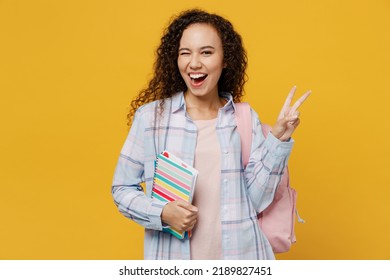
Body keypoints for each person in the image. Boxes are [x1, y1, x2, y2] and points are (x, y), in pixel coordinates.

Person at [111, 9, 310, 260]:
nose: (194, 63)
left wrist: (278, 139)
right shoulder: (152, 118)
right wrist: (162, 213)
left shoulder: (244, 119)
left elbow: (257, 201)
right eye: (185, 53)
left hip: (242, 258)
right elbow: (122, 188)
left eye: (206, 52)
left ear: (225, 59)